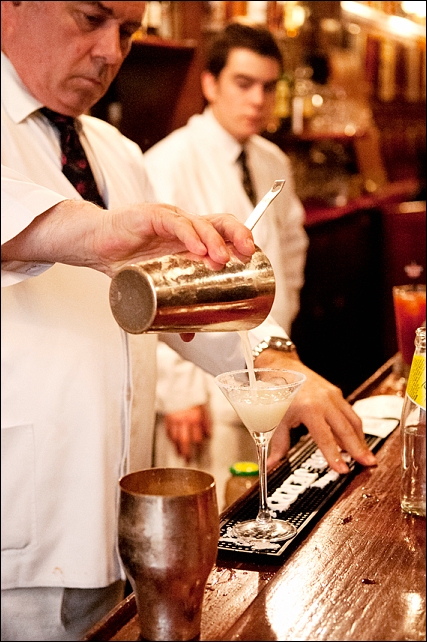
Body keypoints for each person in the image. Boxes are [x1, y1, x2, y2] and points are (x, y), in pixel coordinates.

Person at [1, 3, 376, 640]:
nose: (109, 51)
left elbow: (174, 307)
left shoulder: (115, 151)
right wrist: (97, 232)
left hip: (121, 521)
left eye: (127, 30)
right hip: (17, 528)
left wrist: (278, 365)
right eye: (89, 18)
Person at [144, 22, 301, 469]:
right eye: (243, 83)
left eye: (269, 87)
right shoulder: (168, 162)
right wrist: (178, 394)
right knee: (211, 519)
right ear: (210, 83)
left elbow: (291, 253)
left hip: (268, 370)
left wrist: (280, 338)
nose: (257, 100)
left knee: (262, 507)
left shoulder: (273, 160)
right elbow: (151, 282)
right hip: (200, 392)